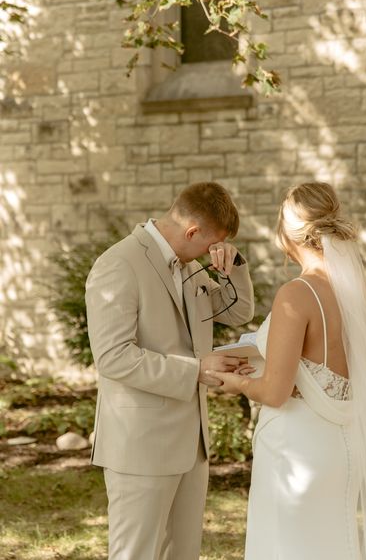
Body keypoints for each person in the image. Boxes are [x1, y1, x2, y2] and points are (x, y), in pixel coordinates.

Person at [209, 181, 366, 560]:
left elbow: (274, 392)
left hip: (294, 451)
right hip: (341, 447)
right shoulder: (361, 293)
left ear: (287, 235)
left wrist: (232, 381)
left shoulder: (296, 294)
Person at [85, 181, 254, 560]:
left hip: (191, 446)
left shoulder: (190, 265)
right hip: (141, 445)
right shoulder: (118, 264)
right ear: (192, 231)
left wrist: (235, 263)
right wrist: (195, 369)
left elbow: (238, 311)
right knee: (137, 554)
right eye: (211, 244)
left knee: (184, 554)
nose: (211, 254)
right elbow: (113, 357)